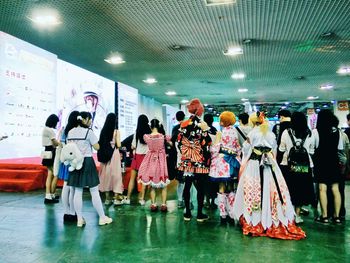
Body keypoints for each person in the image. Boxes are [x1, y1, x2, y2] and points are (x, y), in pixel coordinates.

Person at [233, 112, 305, 240]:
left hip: (254, 164)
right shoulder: (271, 134)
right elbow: (274, 150)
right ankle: (273, 218)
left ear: (254, 122)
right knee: (272, 189)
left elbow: (246, 150)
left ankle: (255, 219)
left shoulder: (252, 133)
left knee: (253, 189)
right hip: (270, 164)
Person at [67, 111, 112, 227]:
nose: (91, 122)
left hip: (75, 162)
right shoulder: (88, 132)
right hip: (87, 162)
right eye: (90, 119)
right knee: (94, 191)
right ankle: (102, 217)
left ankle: (79, 219)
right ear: (85, 120)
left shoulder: (71, 132)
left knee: (77, 191)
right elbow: (97, 146)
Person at [177, 98, 212, 222]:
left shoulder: (184, 124)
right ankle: (199, 214)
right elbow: (207, 141)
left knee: (187, 185)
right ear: (200, 111)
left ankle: (187, 212)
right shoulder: (202, 125)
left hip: (187, 159)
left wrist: (186, 152)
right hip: (199, 160)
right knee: (200, 187)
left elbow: (179, 141)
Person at [279, 112, 316, 224]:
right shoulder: (309, 133)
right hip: (304, 167)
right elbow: (311, 151)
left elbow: (281, 149)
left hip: (288, 165)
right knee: (300, 190)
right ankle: (297, 215)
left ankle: (288, 214)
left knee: (289, 189)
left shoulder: (286, 132)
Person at [209, 111, 241, 224]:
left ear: (223, 121)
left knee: (221, 187)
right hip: (233, 162)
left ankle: (223, 214)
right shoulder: (235, 132)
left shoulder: (220, 133)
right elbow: (238, 148)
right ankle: (232, 214)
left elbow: (214, 149)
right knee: (231, 187)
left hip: (222, 163)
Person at [312, 109, 343, 224]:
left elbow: (314, 147)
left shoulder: (316, 131)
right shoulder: (337, 132)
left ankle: (324, 216)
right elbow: (339, 148)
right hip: (334, 162)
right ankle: (337, 216)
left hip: (321, 162)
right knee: (335, 189)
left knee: (322, 189)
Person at [138, 119, 170, 212]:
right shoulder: (163, 137)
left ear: (150, 126)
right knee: (163, 184)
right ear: (159, 126)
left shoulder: (146, 137)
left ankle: (153, 204)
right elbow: (170, 140)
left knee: (152, 184)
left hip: (150, 159)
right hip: (161, 160)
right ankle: (164, 204)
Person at [122, 115, 151, 205]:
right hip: (146, 157)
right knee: (144, 180)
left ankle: (128, 198)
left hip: (137, 157)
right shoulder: (149, 133)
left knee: (132, 178)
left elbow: (133, 146)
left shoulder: (137, 132)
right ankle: (142, 199)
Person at [57, 111, 79, 222]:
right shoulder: (76, 131)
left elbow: (61, 144)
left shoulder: (65, 129)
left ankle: (66, 212)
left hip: (65, 160)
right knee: (73, 188)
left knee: (66, 187)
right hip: (73, 161)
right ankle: (72, 212)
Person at [98, 113, 123, 206]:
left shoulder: (103, 131)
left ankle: (107, 199)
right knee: (116, 175)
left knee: (106, 176)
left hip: (105, 156)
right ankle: (116, 198)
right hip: (114, 155)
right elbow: (119, 144)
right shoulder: (116, 131)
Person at [42, 114, 61, 204]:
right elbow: (55, 143)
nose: (57, 124)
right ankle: (48, 195)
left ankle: (50, 195)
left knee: (50, 174)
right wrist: (61, 144)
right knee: (51, 174)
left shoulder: (45, 129)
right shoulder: (50, 131)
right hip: (51, 152)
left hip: (47, 151)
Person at [203, 113, 218, 209]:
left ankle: (207, 199)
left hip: (204, 158)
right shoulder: (215, 131)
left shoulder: (203, 131)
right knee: (213, 180)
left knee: (205, 179)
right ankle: (213, 200)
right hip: (214, 158)